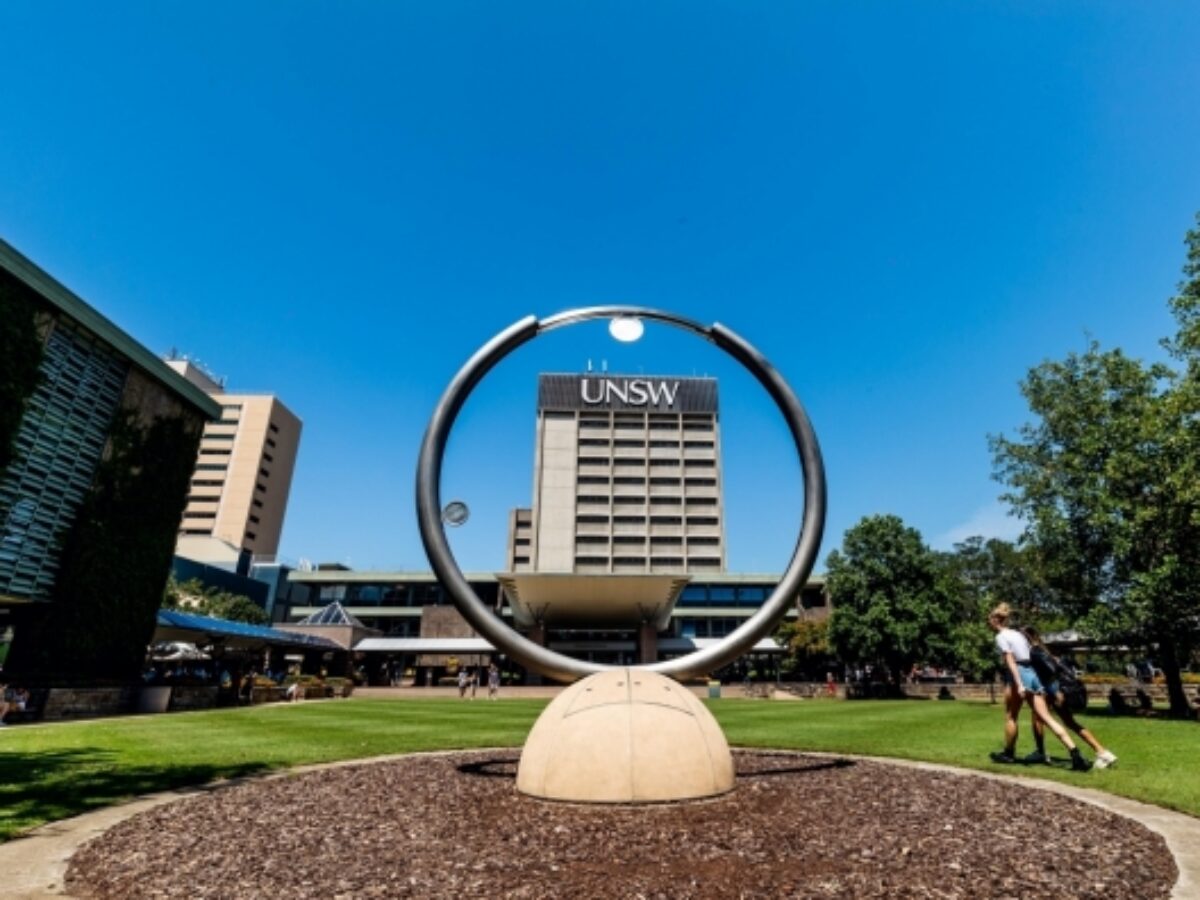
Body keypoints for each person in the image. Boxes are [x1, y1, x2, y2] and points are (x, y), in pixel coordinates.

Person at [987, 603, 1091, 772]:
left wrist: (1019, 684)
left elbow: (1011, 661)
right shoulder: (1018, 635)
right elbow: (1030, 654)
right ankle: (1076, 755)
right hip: (1032, 674)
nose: (989, 624)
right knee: (1047, 718)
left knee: (1011, 716)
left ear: (995, 620)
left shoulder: (1001, 637)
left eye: (989, 621)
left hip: (1019, 674)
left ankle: (1008, 754)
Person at [1022, 627, 1118, 769]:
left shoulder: (1034, 651)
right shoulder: (1042, 649)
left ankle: (1041, 752)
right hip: (1053, 688)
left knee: (1051, 719)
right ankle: (1103, 753)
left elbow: (1051, 670)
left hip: (1052, 689)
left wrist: (1056, 692)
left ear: (1027, 637)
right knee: (1061, 721)